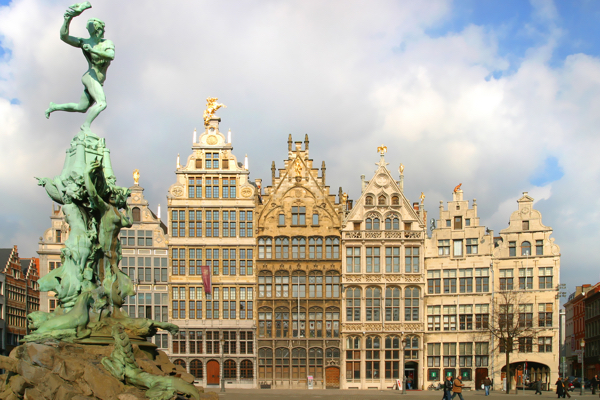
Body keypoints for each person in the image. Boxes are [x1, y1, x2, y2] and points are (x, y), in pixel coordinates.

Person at [45, 3, 115, 132]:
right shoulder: (84, 42)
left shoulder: (107, 43)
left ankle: (54, 106)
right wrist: (67, 20)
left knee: (81, 108)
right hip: (90, 76)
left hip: (98, 79)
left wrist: (93, 51)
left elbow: (111, 55)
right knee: (102, 103)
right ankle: (85, 126)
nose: (100, 32)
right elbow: (64, 37)